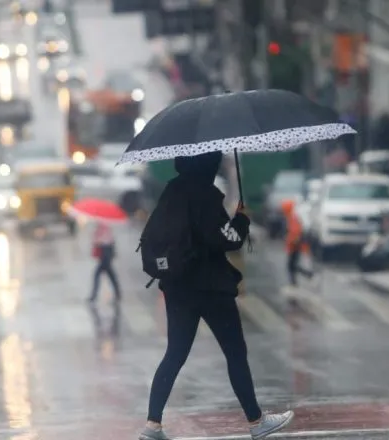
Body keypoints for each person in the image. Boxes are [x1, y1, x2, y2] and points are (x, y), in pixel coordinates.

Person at [139, 151, 294, 440]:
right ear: (207, 166)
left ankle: (152, 425)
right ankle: (256, 421)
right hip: (210, 288)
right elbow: (227, 240)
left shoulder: (171, 192)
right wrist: (242, 221)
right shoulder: (206, 196)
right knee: (235, 353)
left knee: (174, 354)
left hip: (177, 287)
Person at [88, 221, 121, 302]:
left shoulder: (103, 225)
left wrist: (96, 237)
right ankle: (117, 293)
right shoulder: (102, 225)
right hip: (106, 251)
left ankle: (94, 295)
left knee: (98, 274)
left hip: (105, 251)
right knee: (110, 274)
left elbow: (101, 240)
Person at [281, 199, 305, 287]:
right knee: (292, 265)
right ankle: (293, 282)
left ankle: (296, 281)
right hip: (292, 245)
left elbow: (295, 231)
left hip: (294, 246)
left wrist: (292, 241)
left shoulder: (292, 218)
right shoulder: (291, 217)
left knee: (292, 265)